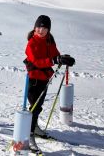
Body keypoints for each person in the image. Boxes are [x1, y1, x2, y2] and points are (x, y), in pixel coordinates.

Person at [24, 15, 75, 153]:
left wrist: (64, 59)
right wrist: (53, 60)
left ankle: (33, 127)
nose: (41, 30)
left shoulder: (49, 41)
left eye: (44, 28)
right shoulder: (31, 43)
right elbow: (36, 61)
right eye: (39, 27)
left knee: (38, 106)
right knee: (34, 107)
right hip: (34, 79)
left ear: (48, 30)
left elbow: (55, 54)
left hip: (45, 78)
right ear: (35, 28)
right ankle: (28, 134)